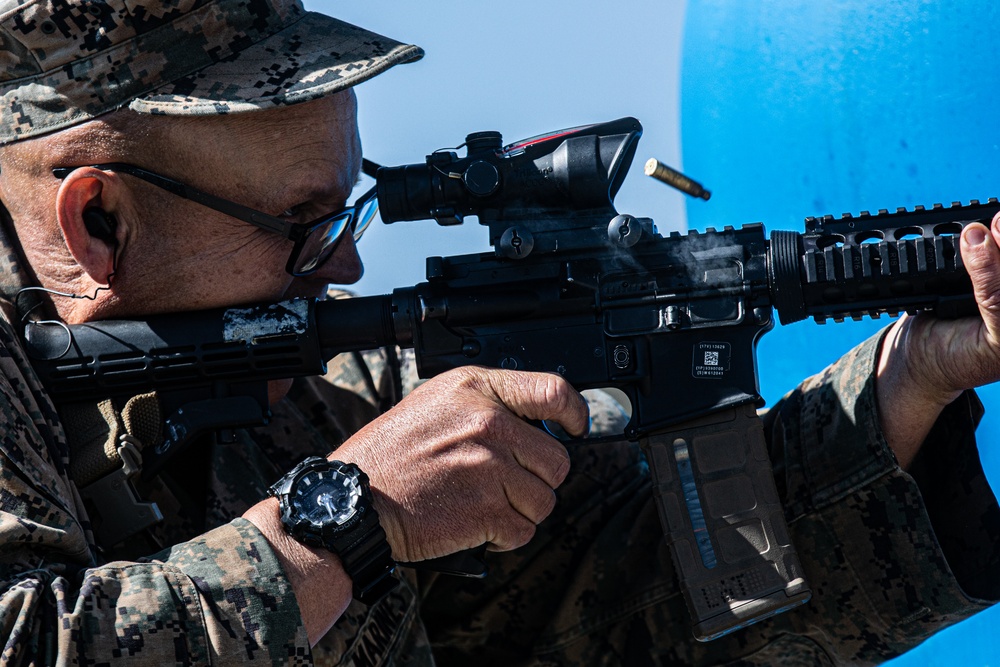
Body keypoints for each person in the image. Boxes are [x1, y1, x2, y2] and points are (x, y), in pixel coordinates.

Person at [0, 1, 997, 664]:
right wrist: (342, 522)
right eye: (302, 224)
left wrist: (910, 378)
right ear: (99, 222)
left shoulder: (316, 398)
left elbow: (633, 605)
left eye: (345, 219)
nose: (342, 265)